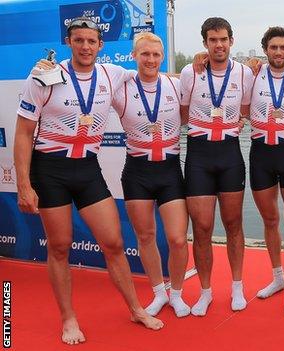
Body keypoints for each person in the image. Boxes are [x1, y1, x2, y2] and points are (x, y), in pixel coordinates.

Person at [14, 17, 163, 345]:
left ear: (100, 46)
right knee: (60, 247)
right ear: (69, 42)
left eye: (91, 42)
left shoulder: (113, 74)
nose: (85, 46)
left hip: (88, 170)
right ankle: (68, 318)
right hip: (50, 170)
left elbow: (152, 72)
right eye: (78, 40)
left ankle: (136, 309)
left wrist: (200, 65)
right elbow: (24, 133)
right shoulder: (45, 76)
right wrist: (24, 185)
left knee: (113, 243)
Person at [112, 32, 190, 318]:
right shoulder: (121, 88)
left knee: (178, 238)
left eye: (156, 54)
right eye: (145, 54)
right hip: (137, 172)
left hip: (169, 170)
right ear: (134, 56)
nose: (151, 59)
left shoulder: (176, 84)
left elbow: (205, 82)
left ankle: (178, 294)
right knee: (145, 236)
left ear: (163, 57)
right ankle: (159, 292)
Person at [179, 17, 253, 315]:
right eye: (212, 40)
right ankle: (206, 292)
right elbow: (182, 114)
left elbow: (246, 110)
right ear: (205, 43)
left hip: (229, 154)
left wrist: (240, 121)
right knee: (202, 227)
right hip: (199, 154)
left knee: (234, 224)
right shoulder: (190, 72)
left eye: (223, 39)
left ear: (231, 41)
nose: (218, 45)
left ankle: (237, 287)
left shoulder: (245, 73)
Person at [246, 26, 284, 314]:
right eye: (273, 47)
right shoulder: (252, 74)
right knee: (270, 220)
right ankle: (278, 278)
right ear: (265, 50)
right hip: (261, 154)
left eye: (283, 47)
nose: (278, 52)